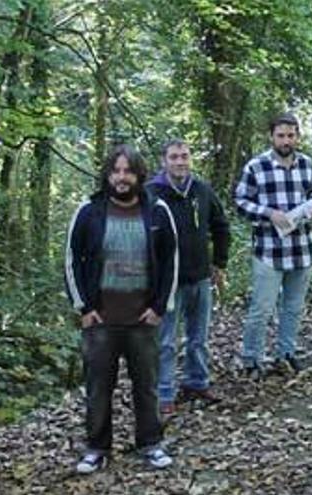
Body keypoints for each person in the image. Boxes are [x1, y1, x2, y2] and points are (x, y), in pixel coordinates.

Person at [64, 144, 177, 473]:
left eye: (128, 171)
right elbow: (71, 260)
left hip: (143, 318)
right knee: (99, 388)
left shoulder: (157, 210)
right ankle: (97, 448)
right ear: (107, 174)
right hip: (100, 319)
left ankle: (151, 444)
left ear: (139, 174)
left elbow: (171, 261)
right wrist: (83, 307)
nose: (122, 177)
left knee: (147, 385)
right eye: (116, 170)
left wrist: (160, 307)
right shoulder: (89, 210)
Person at [233, 113, 312, 378]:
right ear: (271, 136)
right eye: (281, 135)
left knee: (293, 307)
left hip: (301, 248)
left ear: (297, 136)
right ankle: (251, 359)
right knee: (261, 308)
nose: (286, 140)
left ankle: (286, 354)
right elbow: (240, 201)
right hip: (269, 250)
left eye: (291, 135)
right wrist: (268, 213)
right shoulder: (256, 167)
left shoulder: (307, 165)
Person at [147, 139, 230, 415]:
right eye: (174, 157)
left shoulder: (201, 190)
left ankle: (197, 382)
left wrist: (219, 263)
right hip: (167, 283)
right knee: (167, 341)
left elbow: (221, 226)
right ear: (164, 161)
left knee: (199, 337)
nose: (180, 161)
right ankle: (165, 393)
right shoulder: (151, 193)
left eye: (184, 156)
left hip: (200, 277)